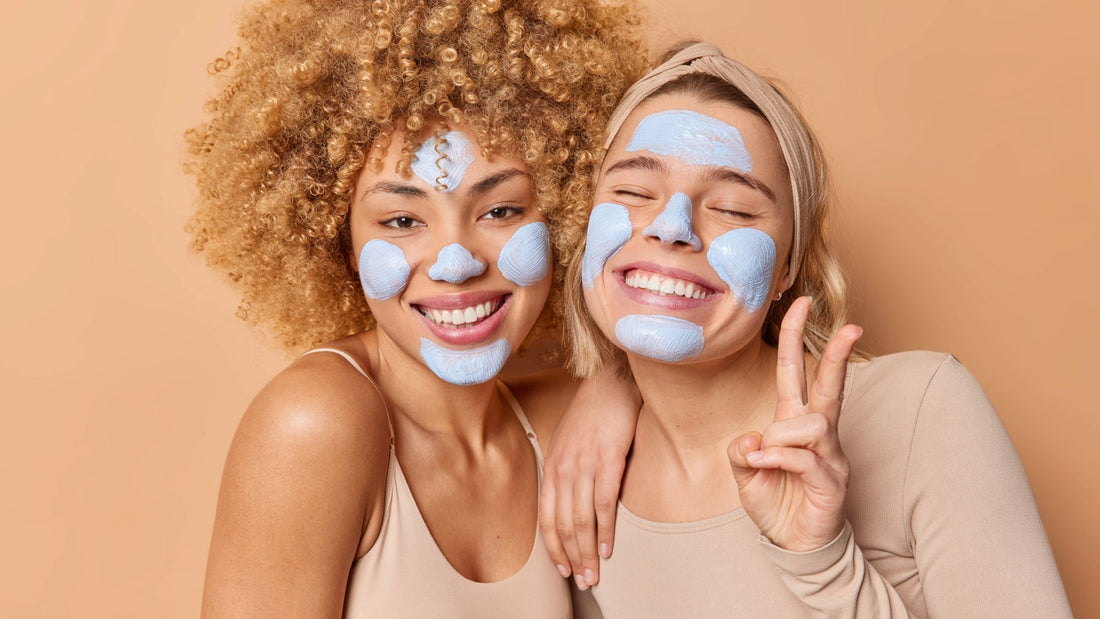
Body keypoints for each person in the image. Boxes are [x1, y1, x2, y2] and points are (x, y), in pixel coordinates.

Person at [539, 42, 1072, 617]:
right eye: (633, 193)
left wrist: (824, 564)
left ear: (787, 269)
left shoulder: (922, 410)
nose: (672, 227)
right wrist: (607, 382)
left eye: (733, 209)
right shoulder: (577, 479)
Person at [185, 0, 644, 615]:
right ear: (342, 244)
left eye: (500, 210)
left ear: (567, 217)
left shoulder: (570, 418)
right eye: (402, 220)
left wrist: (620, 382)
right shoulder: (315, 423)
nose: (456, 262)